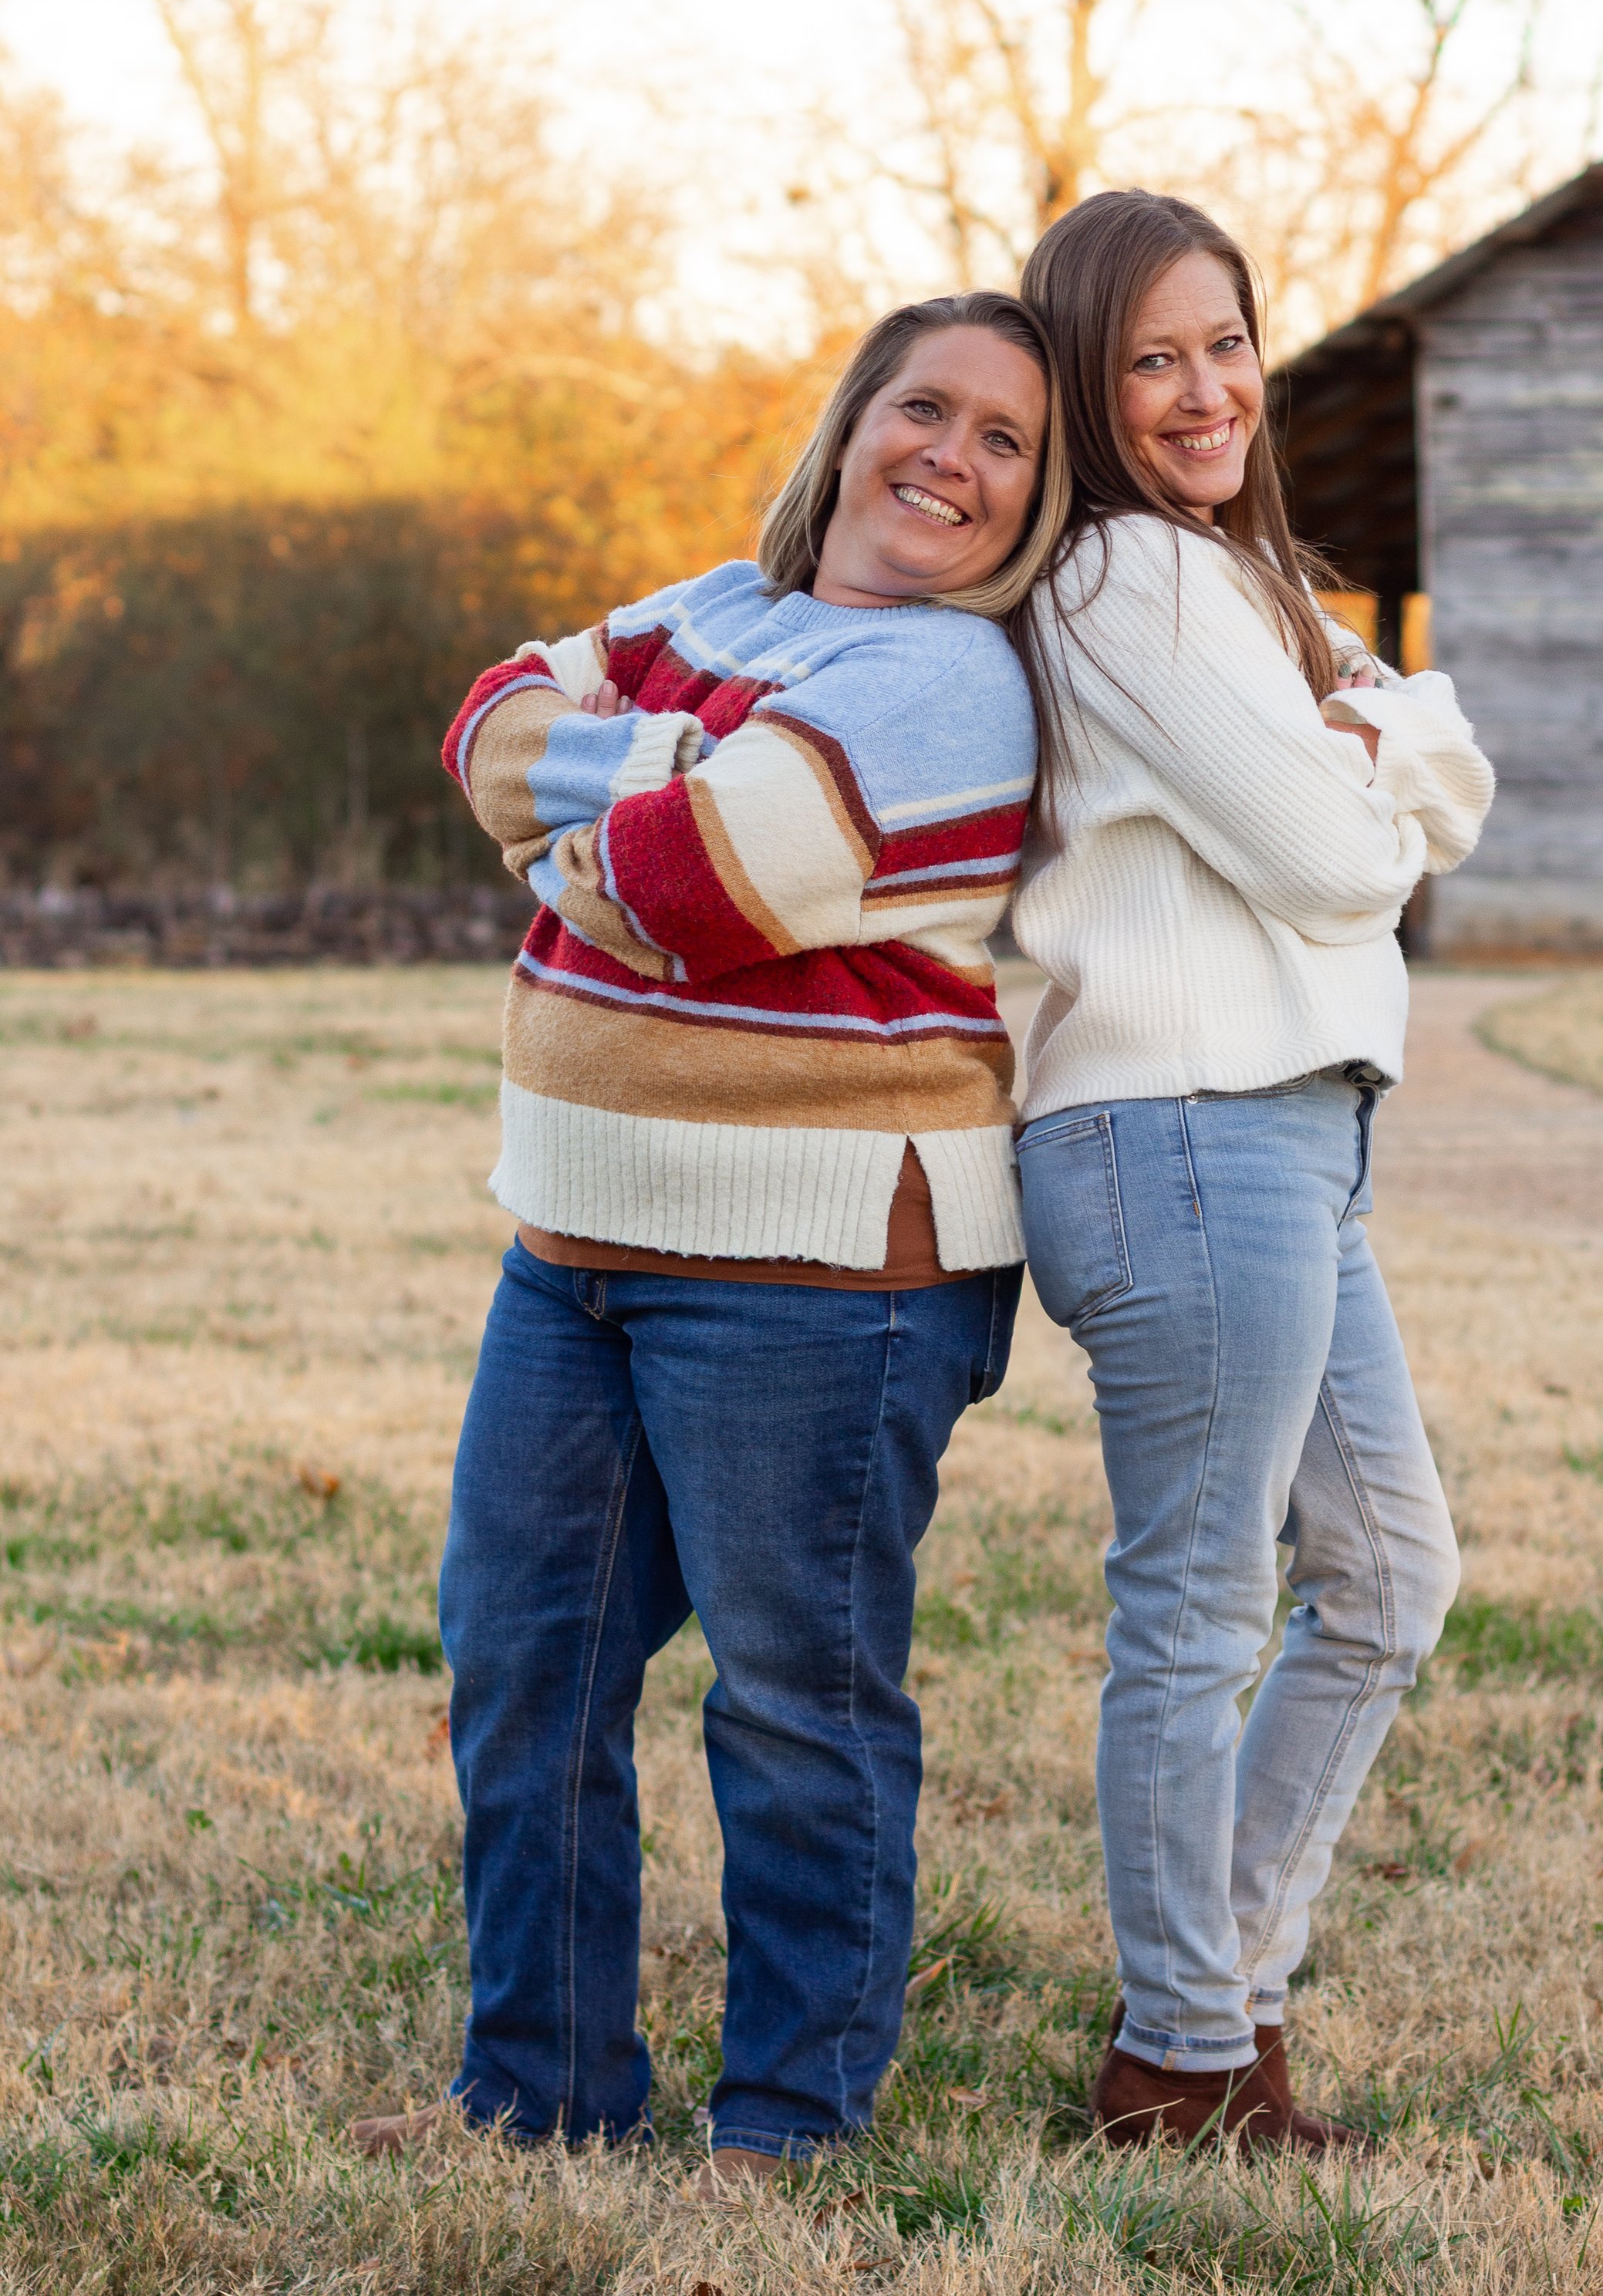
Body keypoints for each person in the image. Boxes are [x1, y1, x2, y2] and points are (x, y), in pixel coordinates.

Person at [353, 293, 1068, 2190]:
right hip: (571, 1240)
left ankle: (791, 2118)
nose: (952, 457)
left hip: (823, 1277)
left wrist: (597, 805)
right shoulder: (718, 612)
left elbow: (699, 876)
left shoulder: (953, 682)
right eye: (926, 407)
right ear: (849, 423)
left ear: (1032, 497)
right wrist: (628, 796)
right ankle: (541, 2087)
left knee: (794, 1701)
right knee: (522, 1666)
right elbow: (482, 728)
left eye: (1004, 441)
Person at [1008, 191, 1495, 2150]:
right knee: (1199, 1614)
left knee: (1386, 1576)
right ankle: (1186, 2063)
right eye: (1149, 358)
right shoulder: (1130, 580)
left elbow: (1414, 782)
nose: (1203, 389)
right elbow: (1348, 857)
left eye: (1225, 342)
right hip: (1180, 1129)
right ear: (1084, 382)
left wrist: (1361, 743)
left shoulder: (1242, 573)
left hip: (1281, 1128)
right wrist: (1366, 755)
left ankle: (1218, 2006)